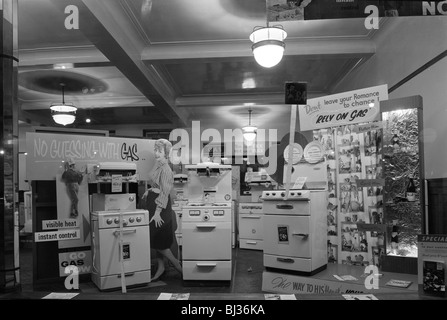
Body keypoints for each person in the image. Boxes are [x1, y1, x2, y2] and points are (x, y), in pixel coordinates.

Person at [142, 139, 182, 281]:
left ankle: (177, 265)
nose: (156, 153)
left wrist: (158, 212)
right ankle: (161, 268)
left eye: (159, 151)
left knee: (158, 241)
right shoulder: (158, 165)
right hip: (153, 204)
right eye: (155, 150)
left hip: (160, 208)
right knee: (156, 241)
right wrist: (149, 190)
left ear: (166, 152)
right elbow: (156, 184)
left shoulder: (166, 169)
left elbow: (165, 192)